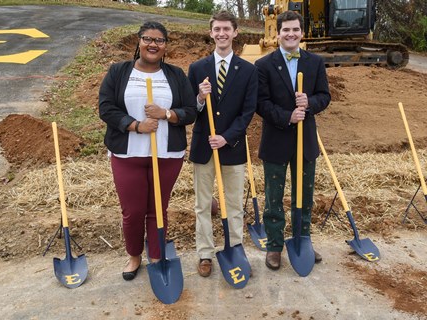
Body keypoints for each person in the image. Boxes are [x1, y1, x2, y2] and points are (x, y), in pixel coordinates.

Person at [99, 21, 197, 281]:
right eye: (148, 39)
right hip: (127, 155)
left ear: (165, 46)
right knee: (133, 211)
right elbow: (106, 108)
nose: (153, 44)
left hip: (166, 155)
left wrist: (166, 114)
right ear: (139, 41)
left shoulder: (175, 75)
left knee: (157, 209)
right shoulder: (119, 72)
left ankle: (156, 254)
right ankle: (133, 256)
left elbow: (190, 111)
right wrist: (135, 126)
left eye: (159, 40)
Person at [254, 10, 331, 270]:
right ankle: (275, 246)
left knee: (304, 196)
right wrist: (288, 116)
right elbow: (261, 103)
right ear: (278, 34)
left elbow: (325, 96)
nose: (290, 34)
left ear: (301, 32)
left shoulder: (315, 62)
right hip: (276, 140)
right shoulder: (264, 65)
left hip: (305, 142)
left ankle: (302, 240)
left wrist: (309, 103)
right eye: (285, 30)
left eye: (295, 30)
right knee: (274, 198)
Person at [188, 10, 258, 277]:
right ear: (211, 33)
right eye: (217, 29)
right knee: (203, 204)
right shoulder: (197, 69)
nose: (221, 34)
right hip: (204, 148)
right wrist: (198, 97)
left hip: (232, 147)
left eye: (226, 29)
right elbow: (187, 110)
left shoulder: (249, 70)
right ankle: (205, 253)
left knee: (234, 203)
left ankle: (235, 249)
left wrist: (227, 136)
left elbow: (248, 111)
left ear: (235, 32)